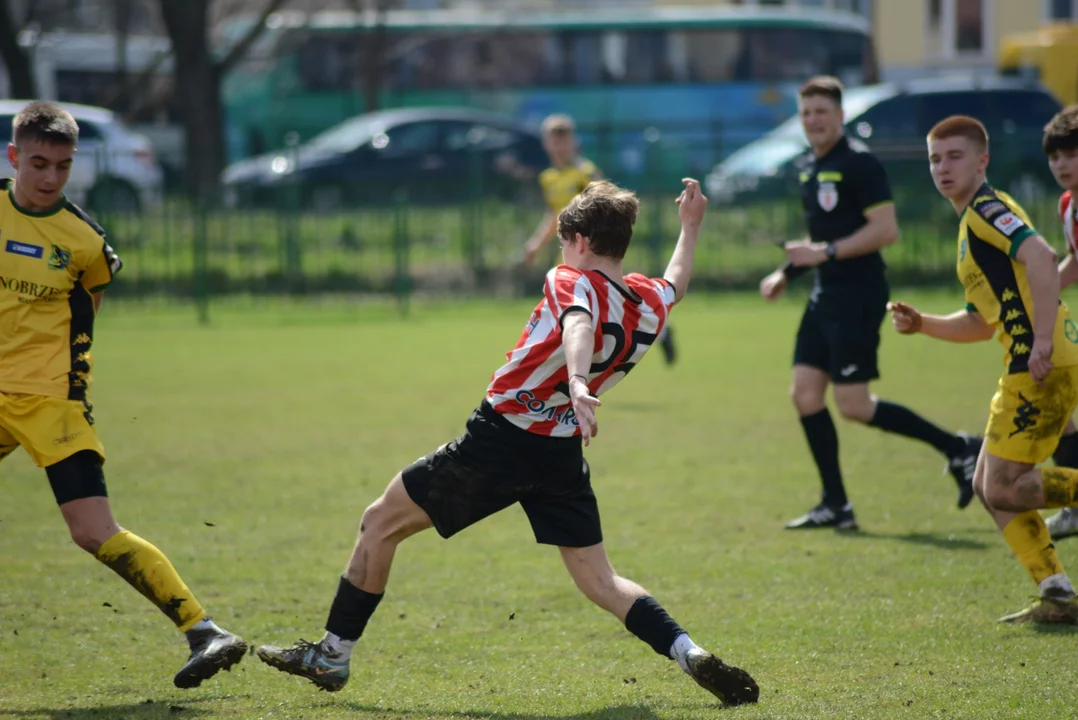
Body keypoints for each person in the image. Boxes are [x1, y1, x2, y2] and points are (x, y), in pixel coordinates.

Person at [256, 179, 760, 707]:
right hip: (561, 452)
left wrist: (579, 381)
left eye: (565, 240)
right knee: (602, 581)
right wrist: (691, 227)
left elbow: (578, 325)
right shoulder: (649, 301)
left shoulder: (571, 279)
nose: (562, 250)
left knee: (379, 522)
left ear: (582, 240)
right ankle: (688, 650)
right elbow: (676, 279)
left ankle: (332, 654)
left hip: (499, 441)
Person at [0, 102, 247, 685]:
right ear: (14, 157)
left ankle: (204, 631)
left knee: (91, 530)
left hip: (49, 402)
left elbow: (88, 314)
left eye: (62, 165)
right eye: (38, 163)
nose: (51, 177)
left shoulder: (84, 242)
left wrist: (70, 383)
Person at [758, 76, 981, 531]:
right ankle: (836, 504)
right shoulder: (809, 167)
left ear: (841, 115)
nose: (813, 121)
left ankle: (958, 447)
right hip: (825, 294)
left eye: (822, 111)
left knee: (854, 405)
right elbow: (822, 241)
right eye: (805, 113)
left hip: (858, 296)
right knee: (804, 395)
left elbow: (885, 231)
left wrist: (825, 253)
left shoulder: (861, 164)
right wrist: (787, 272)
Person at [888, 114, 1078, 623]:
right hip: (1033, 357)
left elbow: (1041, 256)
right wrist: (923, 322)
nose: (943, 167)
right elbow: (980, 320)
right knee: (985, 485)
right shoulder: (970, 220)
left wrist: (1039, 340)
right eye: (934, 158)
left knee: (1000, 487)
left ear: (982, 161)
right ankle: (1057, 593)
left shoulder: (987, 210)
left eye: (955, 156)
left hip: (1041, 359)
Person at [524, 113, 677, 366]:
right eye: (554, 140)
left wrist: (603, 244)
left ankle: (659, 329)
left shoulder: (586, 173)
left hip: (593, 251)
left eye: (563, 139)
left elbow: (608, 207)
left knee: (614, 301)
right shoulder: (548, 178)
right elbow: (554, 216)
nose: (559, 146)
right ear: (546, 143)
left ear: (573, 141)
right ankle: (567, 358)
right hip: (568, 250)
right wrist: (535, 244)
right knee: (567, 302)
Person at [1038, 104, 1078, 541]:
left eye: (1071, 154)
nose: (1061, 164)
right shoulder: (1068, 205)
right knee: (1057, 405)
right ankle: (1075, 504)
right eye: (1055, 157)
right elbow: (1076, 261)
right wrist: (1042, 295)